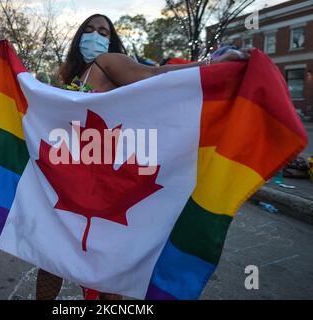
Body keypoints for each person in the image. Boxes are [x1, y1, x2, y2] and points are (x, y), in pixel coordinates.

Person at [37, 13, 251, 301]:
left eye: (103, 31)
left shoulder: (107, 62)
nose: (95, 36)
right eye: (88, 30)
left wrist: (212, 64)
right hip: (75, 181)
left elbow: (153, 75)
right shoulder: (75, 75)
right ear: (78, 38)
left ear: (111, 40)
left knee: (99, 266)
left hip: (101, 184)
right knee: (54, 257)